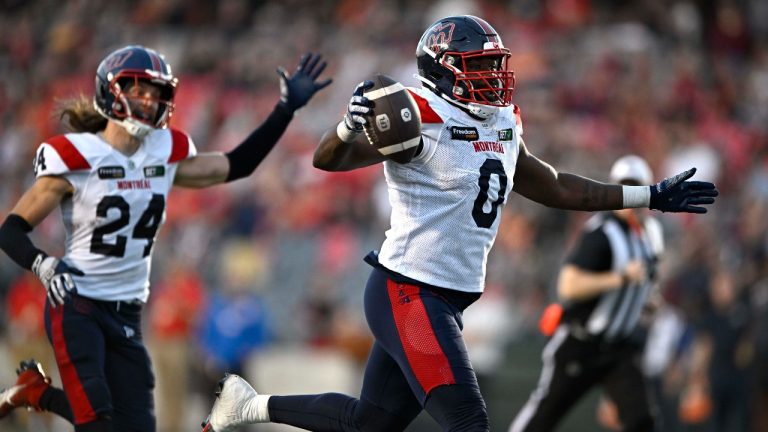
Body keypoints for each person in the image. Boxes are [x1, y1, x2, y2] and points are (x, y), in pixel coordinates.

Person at [201, 15, 718, 432]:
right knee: (468, 422)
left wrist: (647, 195)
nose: (493, 76)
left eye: (494, 64)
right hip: (409, 291)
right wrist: (345, 123)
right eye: (478, 65)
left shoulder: (501, 118)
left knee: (370, 422)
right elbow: (328, 160)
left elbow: (558, 187)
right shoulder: (416, 113)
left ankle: (247, 405)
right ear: (444, 71)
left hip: (444, 296)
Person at [0, 44, 330, 431]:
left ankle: (35, 392)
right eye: (138, 89)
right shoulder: (76, 154)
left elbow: (237, 165)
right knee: (99, 423)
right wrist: (42, 263)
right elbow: (11, 229)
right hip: (78, 304)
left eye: (156, 92)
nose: (148, 99)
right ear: (112, 90)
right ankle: (36, 393)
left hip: (125, 310)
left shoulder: (162, 153)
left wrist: (285, 110)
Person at [509, 155, 664, 432]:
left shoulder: (652, 233)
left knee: (642, 422)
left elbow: (650, 282)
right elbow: (568, 285)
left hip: (619, 346)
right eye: (625, 186)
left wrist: (644, 300)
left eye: (635, 186)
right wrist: (619, 278)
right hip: (582, 342)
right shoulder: (602, 232)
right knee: (543, 417)